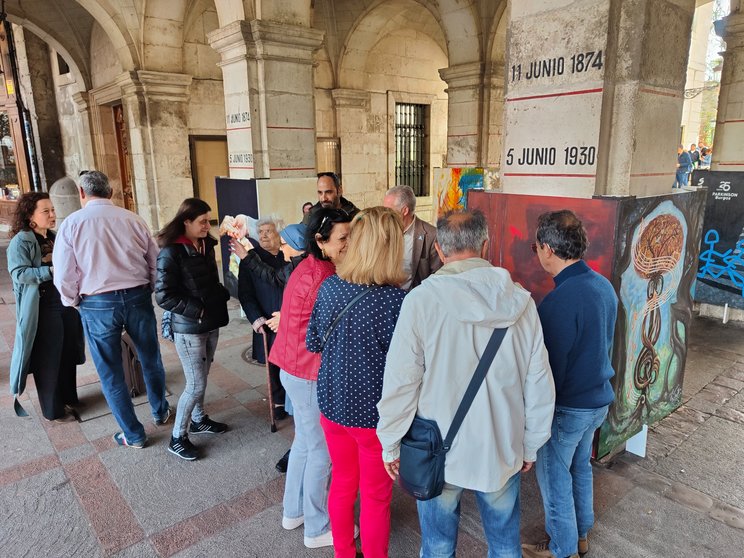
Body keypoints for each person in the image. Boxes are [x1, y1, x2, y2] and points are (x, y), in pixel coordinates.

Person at [376, 209, 555, 558]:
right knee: (504, 545)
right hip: (501, 445)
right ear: (486, 244)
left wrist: (390, 441)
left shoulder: (420, 302)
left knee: (439, 546)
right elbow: (539, 384)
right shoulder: (521, 303)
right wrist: (531, 444)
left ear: (440, 251)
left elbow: (401, 381)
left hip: (437, 450)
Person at [307, 207, 406, 558]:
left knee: (344, 483)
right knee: (376, 496)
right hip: (373, 417)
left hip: (333, 406)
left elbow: (313, 342)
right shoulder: (397, 302)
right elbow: (407, 369)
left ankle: (344, 552)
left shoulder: (330, 286)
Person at [522, 210, 618, 558]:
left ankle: (563, 548)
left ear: (548, 248)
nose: (538, 253)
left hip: (568, 408)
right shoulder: (602, 285)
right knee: (579, 467)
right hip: (597, 403)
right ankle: (580, 533)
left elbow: (550, 373)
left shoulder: (561, 301)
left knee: (554, 479)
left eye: (536, 247)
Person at [52, 170, 170, 449]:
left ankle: (134, 434)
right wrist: (149, 288)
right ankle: (160, 411)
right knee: (150, 358)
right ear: (111, 192)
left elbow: (64, 274)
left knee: (110, 371)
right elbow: (155, 261)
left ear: (82, 193)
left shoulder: (72, 224)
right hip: (137, 296)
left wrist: (73, 301)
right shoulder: (133, 219)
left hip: (97, 303)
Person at [259, 208, 353, 549]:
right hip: (308, 372)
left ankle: (293, 511)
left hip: (291, 368)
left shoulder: (307, 268)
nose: (349, 243)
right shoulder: (326, 278)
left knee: (303, 443)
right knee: (321, 452)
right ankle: (317, 527)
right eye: (343, 238)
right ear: (320, 240)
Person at [155, 198, 231, 461]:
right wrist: (196, 310)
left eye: (208, 221)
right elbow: (163, 295)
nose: (206, 226)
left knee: (203, 375)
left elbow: (208, 280)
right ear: (185, 221)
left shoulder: (205, 244)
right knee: (195, 384)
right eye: (201, 222)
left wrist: (220, 293)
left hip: (210, 322)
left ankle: (199, 419)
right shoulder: (171, 252)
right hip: (190, 327)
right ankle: (177, 438)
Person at [8, 192, 83, 421]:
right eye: (46, 211)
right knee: (48, 359)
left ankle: (69, 398)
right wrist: (49, 271)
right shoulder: (21, 241)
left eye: (53, 210)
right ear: (30, 215)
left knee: (68, 352)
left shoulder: (55, 236)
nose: (52, 214)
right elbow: (19, 273)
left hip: (65, 302)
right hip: (43, 306)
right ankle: (54, 410)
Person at [237, 217, 288, 420]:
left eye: (269, 231)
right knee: (273, 364)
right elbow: (245, 294)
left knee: (289, 363)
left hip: (288, 319)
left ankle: (292, 399)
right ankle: (278, 402)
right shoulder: (251, 258)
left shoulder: (288, 255)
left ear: (279, 234)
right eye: (261, 231)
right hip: (266, 322)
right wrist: (256, 319)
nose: (264, 235)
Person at [382, 185, 442, 290]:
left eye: (388, 210)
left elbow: (437, 277)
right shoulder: (381, 230)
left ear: (404, 211)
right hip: (385, 298)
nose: (384, 215)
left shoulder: (431, 236)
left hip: (415, 299)